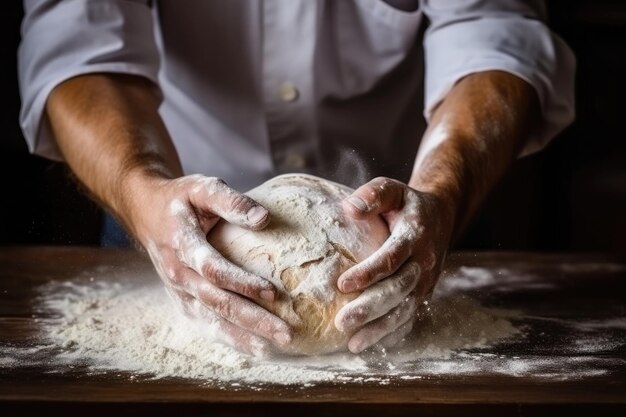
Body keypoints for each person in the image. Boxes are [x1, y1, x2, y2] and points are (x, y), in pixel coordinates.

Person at [18, 0, 574, 357]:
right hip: (170, 217)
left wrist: (443, 192)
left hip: (411, 225)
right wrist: (142, 191)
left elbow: (492, 30)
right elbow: (79, 46)